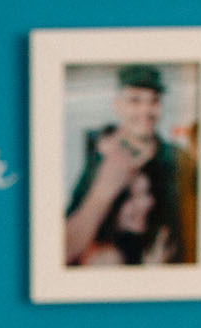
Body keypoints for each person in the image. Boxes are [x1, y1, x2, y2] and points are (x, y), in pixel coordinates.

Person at [64, 64, 194, 267]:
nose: (146, 110)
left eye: (154, 101)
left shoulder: (180, 158)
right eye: (135, 100)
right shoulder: (101, 161)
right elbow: (73, 230)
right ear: (118, 105)